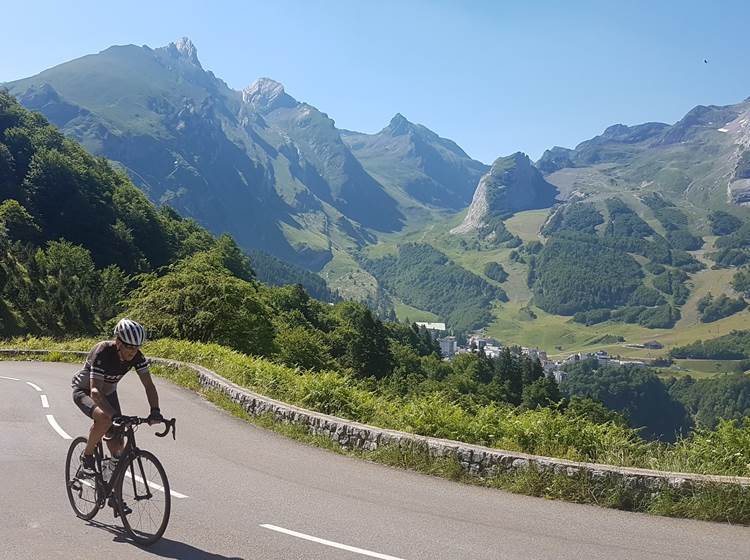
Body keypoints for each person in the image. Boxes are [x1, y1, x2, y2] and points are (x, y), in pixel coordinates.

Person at [71, 318, 163, 516]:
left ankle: (114, 496)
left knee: (118, 451)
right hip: (86, 392)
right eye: (129, 347)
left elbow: (149, 385)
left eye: (136, 347)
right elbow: (95, 391)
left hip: (108, 393)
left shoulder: (137, 356)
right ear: (118, 342)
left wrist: (155, 411)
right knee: (105, 419)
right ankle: (87, 456)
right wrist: (114, 416)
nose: (132, 352)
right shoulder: (103, 351)